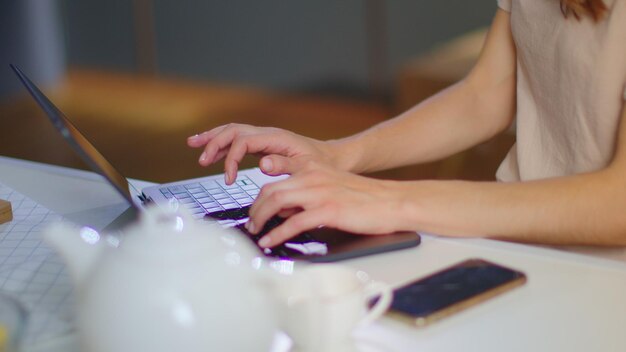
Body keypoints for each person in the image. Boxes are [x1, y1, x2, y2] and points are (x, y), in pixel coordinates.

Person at [187, 0, 626, 249]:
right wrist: (338, 153)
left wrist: (392, 200)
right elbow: (486, 95)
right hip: (518, 245)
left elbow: (617, 202)